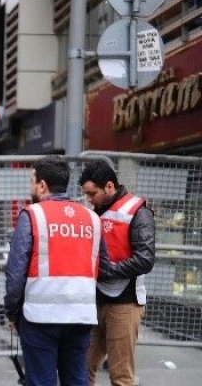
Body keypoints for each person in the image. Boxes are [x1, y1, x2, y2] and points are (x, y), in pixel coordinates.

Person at [4, 155, 109, 386]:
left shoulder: (32, 215)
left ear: (42, 185)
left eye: (32, 181)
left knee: (41, 381)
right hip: (81, 316)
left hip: (40, 317)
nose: (30, 186)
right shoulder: (92, 219)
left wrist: (12, 311)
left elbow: (15, 271)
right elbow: (104, 267)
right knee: (77, 380)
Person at [79, 160, 155, 386]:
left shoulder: (137, 212)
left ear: (109, 187)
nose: (89, 199)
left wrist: (108, 271)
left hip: (125, 303)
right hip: (97, 300)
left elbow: (145, 259)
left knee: (121, 376)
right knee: (81, 369)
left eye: (92, 193)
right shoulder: (95, 213)